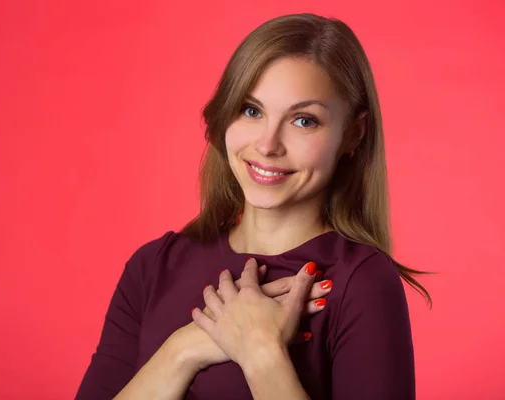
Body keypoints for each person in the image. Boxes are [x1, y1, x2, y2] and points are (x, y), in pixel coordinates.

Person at [75, 12, 431, 400]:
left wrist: (262, 353)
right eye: (251, 110)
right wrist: (182, 351)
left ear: (353, 134)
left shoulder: (361, 283)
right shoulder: (153, 266)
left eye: (303, 121)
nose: (267, 145)